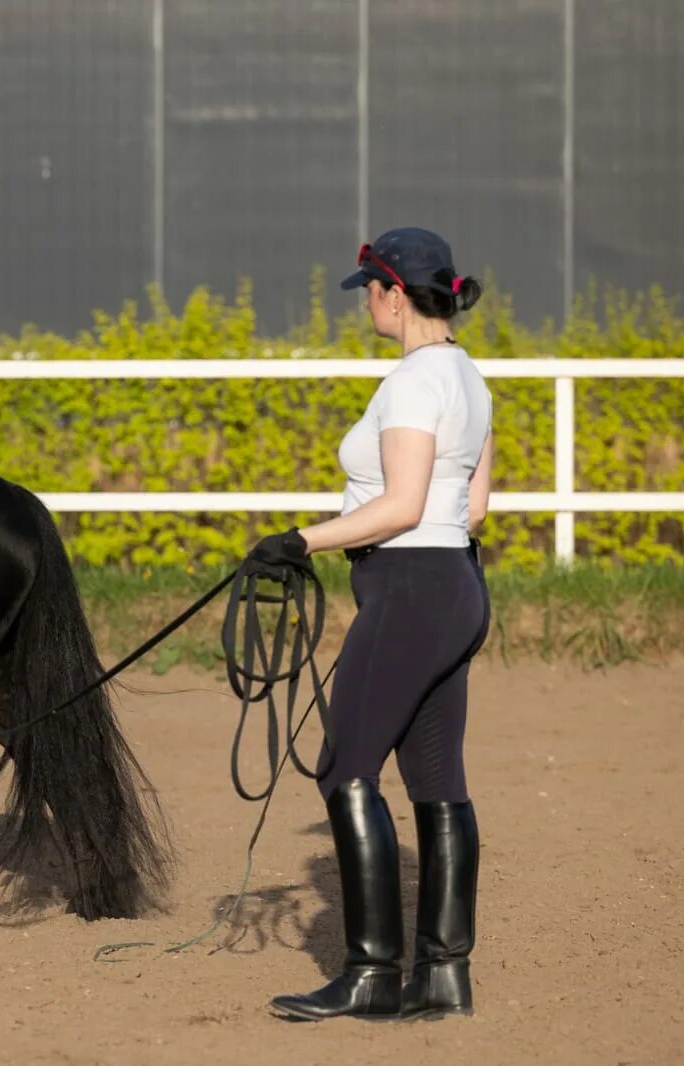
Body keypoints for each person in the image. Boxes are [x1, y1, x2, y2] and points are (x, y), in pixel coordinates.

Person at [251, 227, 493, 1022]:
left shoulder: (412, 383)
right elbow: (472, 507)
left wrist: (300, 540)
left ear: (394, 293)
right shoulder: (468, 379)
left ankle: (369, 973)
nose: (369, 309)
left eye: (371, 294)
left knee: (345, 767)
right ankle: (444, 974)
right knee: (436, 781)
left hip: (410, 591)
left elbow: (402, 506)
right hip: (453, 584)